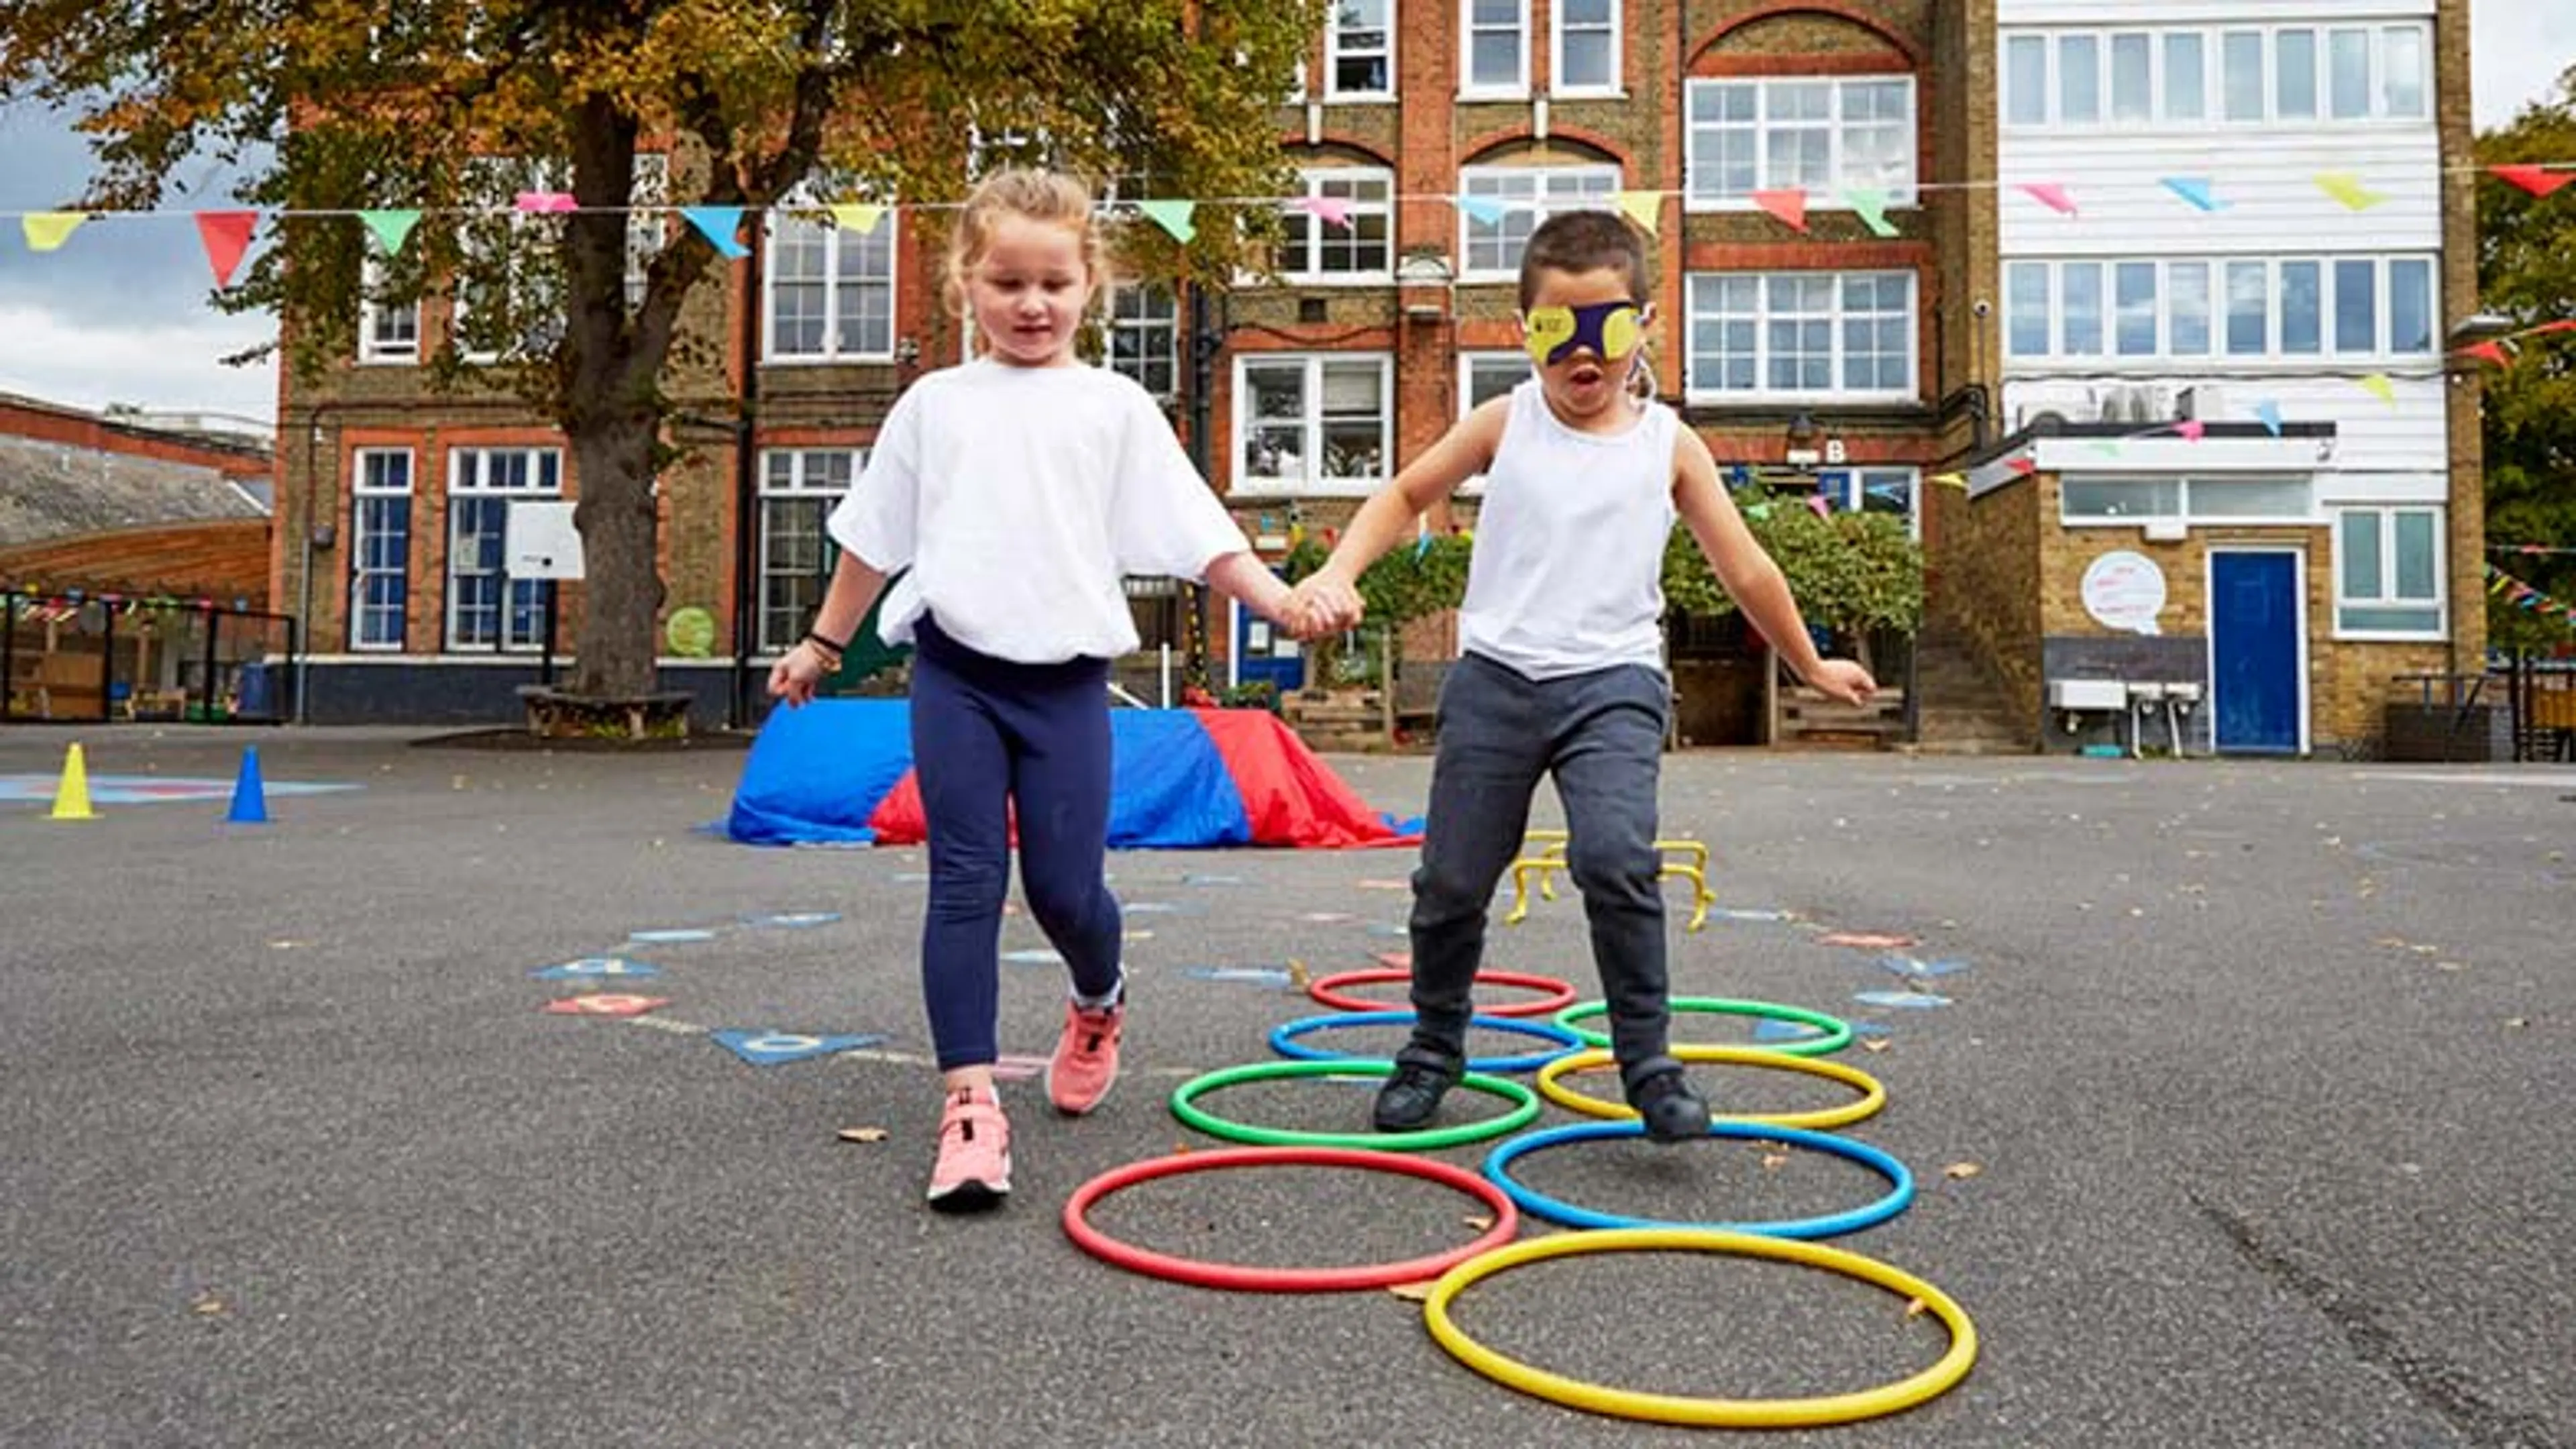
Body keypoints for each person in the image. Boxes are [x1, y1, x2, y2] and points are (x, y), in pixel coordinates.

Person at [770, 168, 1301, 1212]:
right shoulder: (935, 406)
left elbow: (1199, 532)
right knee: (964, 880)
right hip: (956, 677)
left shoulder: (1112, 407)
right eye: (1008, 281)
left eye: (1054, 283)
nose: (1032, 304)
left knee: (1065, 891)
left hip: (1066, 688)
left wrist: (1277, 600)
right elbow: (869, 543)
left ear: (1089, 285)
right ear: (968, 281)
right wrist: (821, 648)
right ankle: (970, 1107)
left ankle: (1097, 1000)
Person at [1284, 210, 1877, 1142]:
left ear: (1646, 324)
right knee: (1450, 880)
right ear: (1525, 334)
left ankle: (1649, 1066)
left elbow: (1746, 568)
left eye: (1608, 324)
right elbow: (1403, 494)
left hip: (1615, 683)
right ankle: (1434, 1049)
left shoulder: (1669, 444)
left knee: (1616, 860)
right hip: (1497, 680)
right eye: (1559, 330)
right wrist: (1336, 570)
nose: (1584, 351)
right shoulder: (1504, 420)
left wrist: (1809, 660)